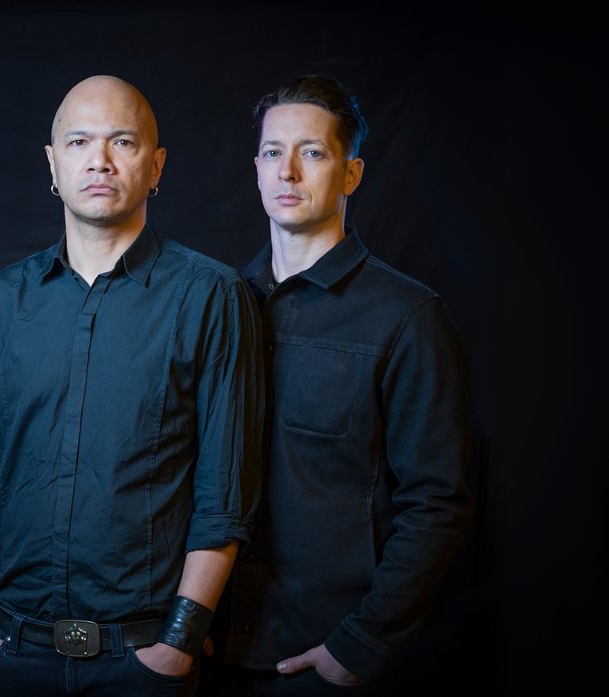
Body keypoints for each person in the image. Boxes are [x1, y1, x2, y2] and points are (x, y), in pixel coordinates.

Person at [0, 74, 264, 697]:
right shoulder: (3, 300)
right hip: (11, 656)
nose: (99, 160)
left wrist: (177, 644)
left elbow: (225, 494)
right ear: (53, 163)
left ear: (156, 164)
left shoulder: (211, 296)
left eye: (122, 141)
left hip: (141, 662)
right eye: (78, 142)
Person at [209, 74, 474, 695]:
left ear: (351, 174)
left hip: (324, 658)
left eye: (314, 152)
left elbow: (438, 500)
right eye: (274, 153)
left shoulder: (406, 316)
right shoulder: (219, 303)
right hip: (214, 648)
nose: (288, 173)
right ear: (255, 168)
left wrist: (360, 644)